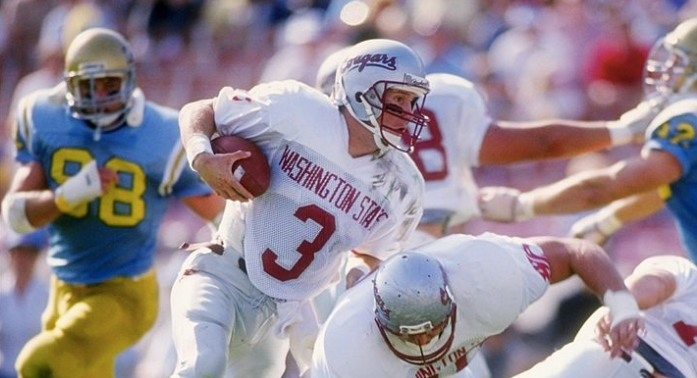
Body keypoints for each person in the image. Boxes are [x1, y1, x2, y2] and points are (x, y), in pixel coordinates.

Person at [171, 38, 428, 378]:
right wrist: (201, 156)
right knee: (203, 366)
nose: (408, 114)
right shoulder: (297, 110)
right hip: (223, 273)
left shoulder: (402, 185)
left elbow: (369, 255)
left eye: (412, 102)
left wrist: (357, 280)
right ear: (361, 90)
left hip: (280, 315)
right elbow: (201, 111)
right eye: (397, 99)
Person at [0, 28, 224, 378]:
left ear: (129, 80)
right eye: (88, 87)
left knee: (39, 363)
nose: (99, 96)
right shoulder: (43, 116)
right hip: (63, 289)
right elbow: (16, 215)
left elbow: (217, 211)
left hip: (124, 293)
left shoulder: (161, 131)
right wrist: (69, 194)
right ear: (69, 85)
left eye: (108, 84)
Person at [477, 17, 697, 262]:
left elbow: (608, 187)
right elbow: (662, 186)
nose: (669, 71)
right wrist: (609, 220)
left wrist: (524, 204)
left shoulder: (686, 120)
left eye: (679, 62)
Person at [310, 233, 644, 378]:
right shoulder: (347, 352)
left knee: (594, 359)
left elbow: (574, 253)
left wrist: (623, 305)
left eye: (431, 330)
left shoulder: (487, 275)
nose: (424, 343)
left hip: (465, 368)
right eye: (411, 336)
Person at [511, 254, 697, 378]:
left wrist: (625, 306)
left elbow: (657, 283)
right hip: (627, 355)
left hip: (620, 357)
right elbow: (656, 282)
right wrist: (626, 305)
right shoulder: (689, 275)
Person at [0, 229, 48, 378]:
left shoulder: (47, 295)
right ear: (10, 254)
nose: (23, 259)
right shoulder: (2, 294)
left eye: (29, 253)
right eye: (18, 252)